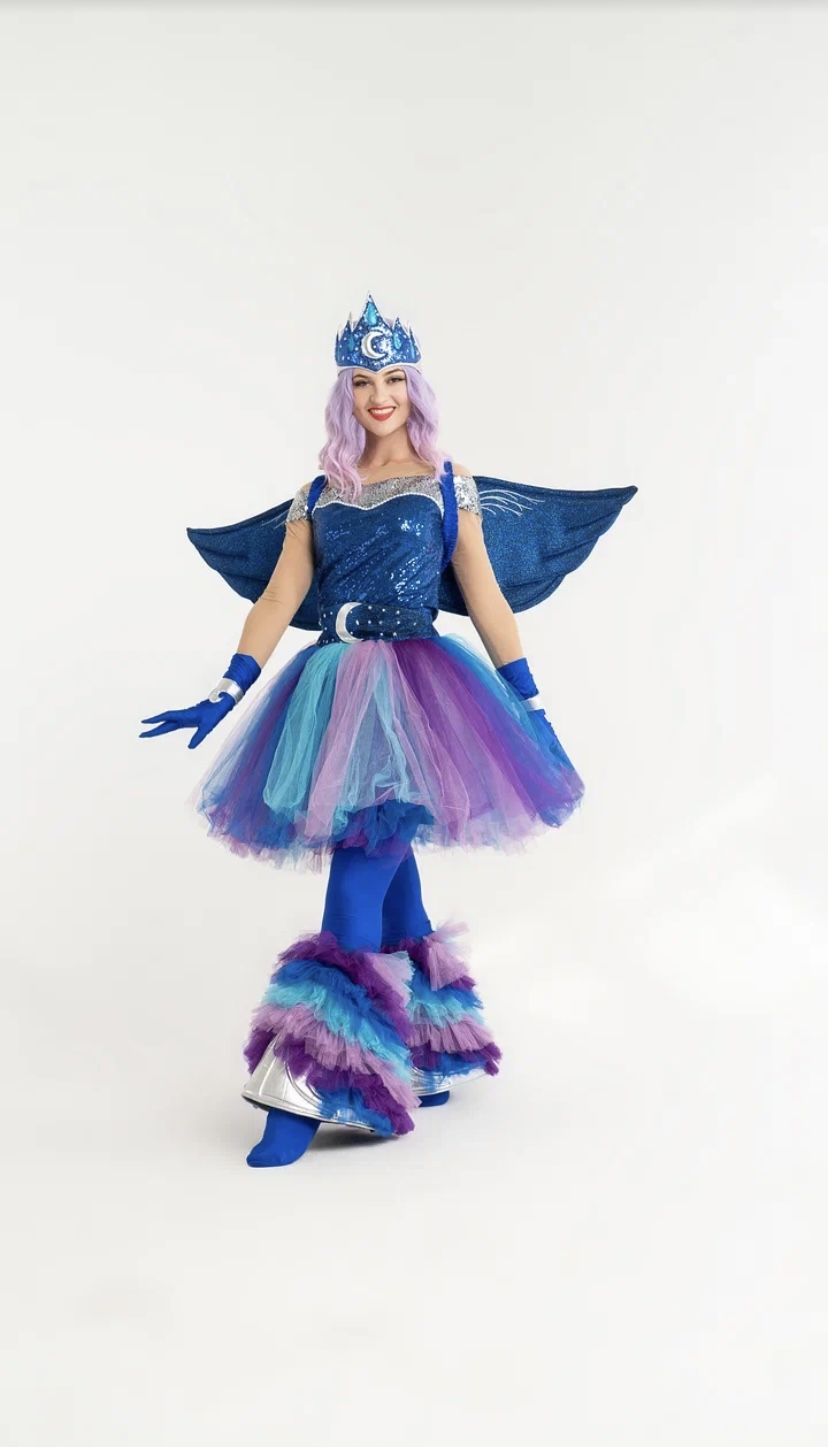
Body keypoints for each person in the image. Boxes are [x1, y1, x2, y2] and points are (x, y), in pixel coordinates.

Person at [140, 294, 636, 1168]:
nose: (380, 395)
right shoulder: (319, 493)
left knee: (355, 882)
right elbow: (279, 597)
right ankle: (425, 1049)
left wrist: (532, 707)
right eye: (364, 381)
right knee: (389, 872)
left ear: (415, 387)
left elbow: (486, 598)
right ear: (345, 393)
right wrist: (224, 690)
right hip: (332, 694)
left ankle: (314, 1086)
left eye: (394, 378)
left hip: (418, 698)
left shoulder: (447, 484)